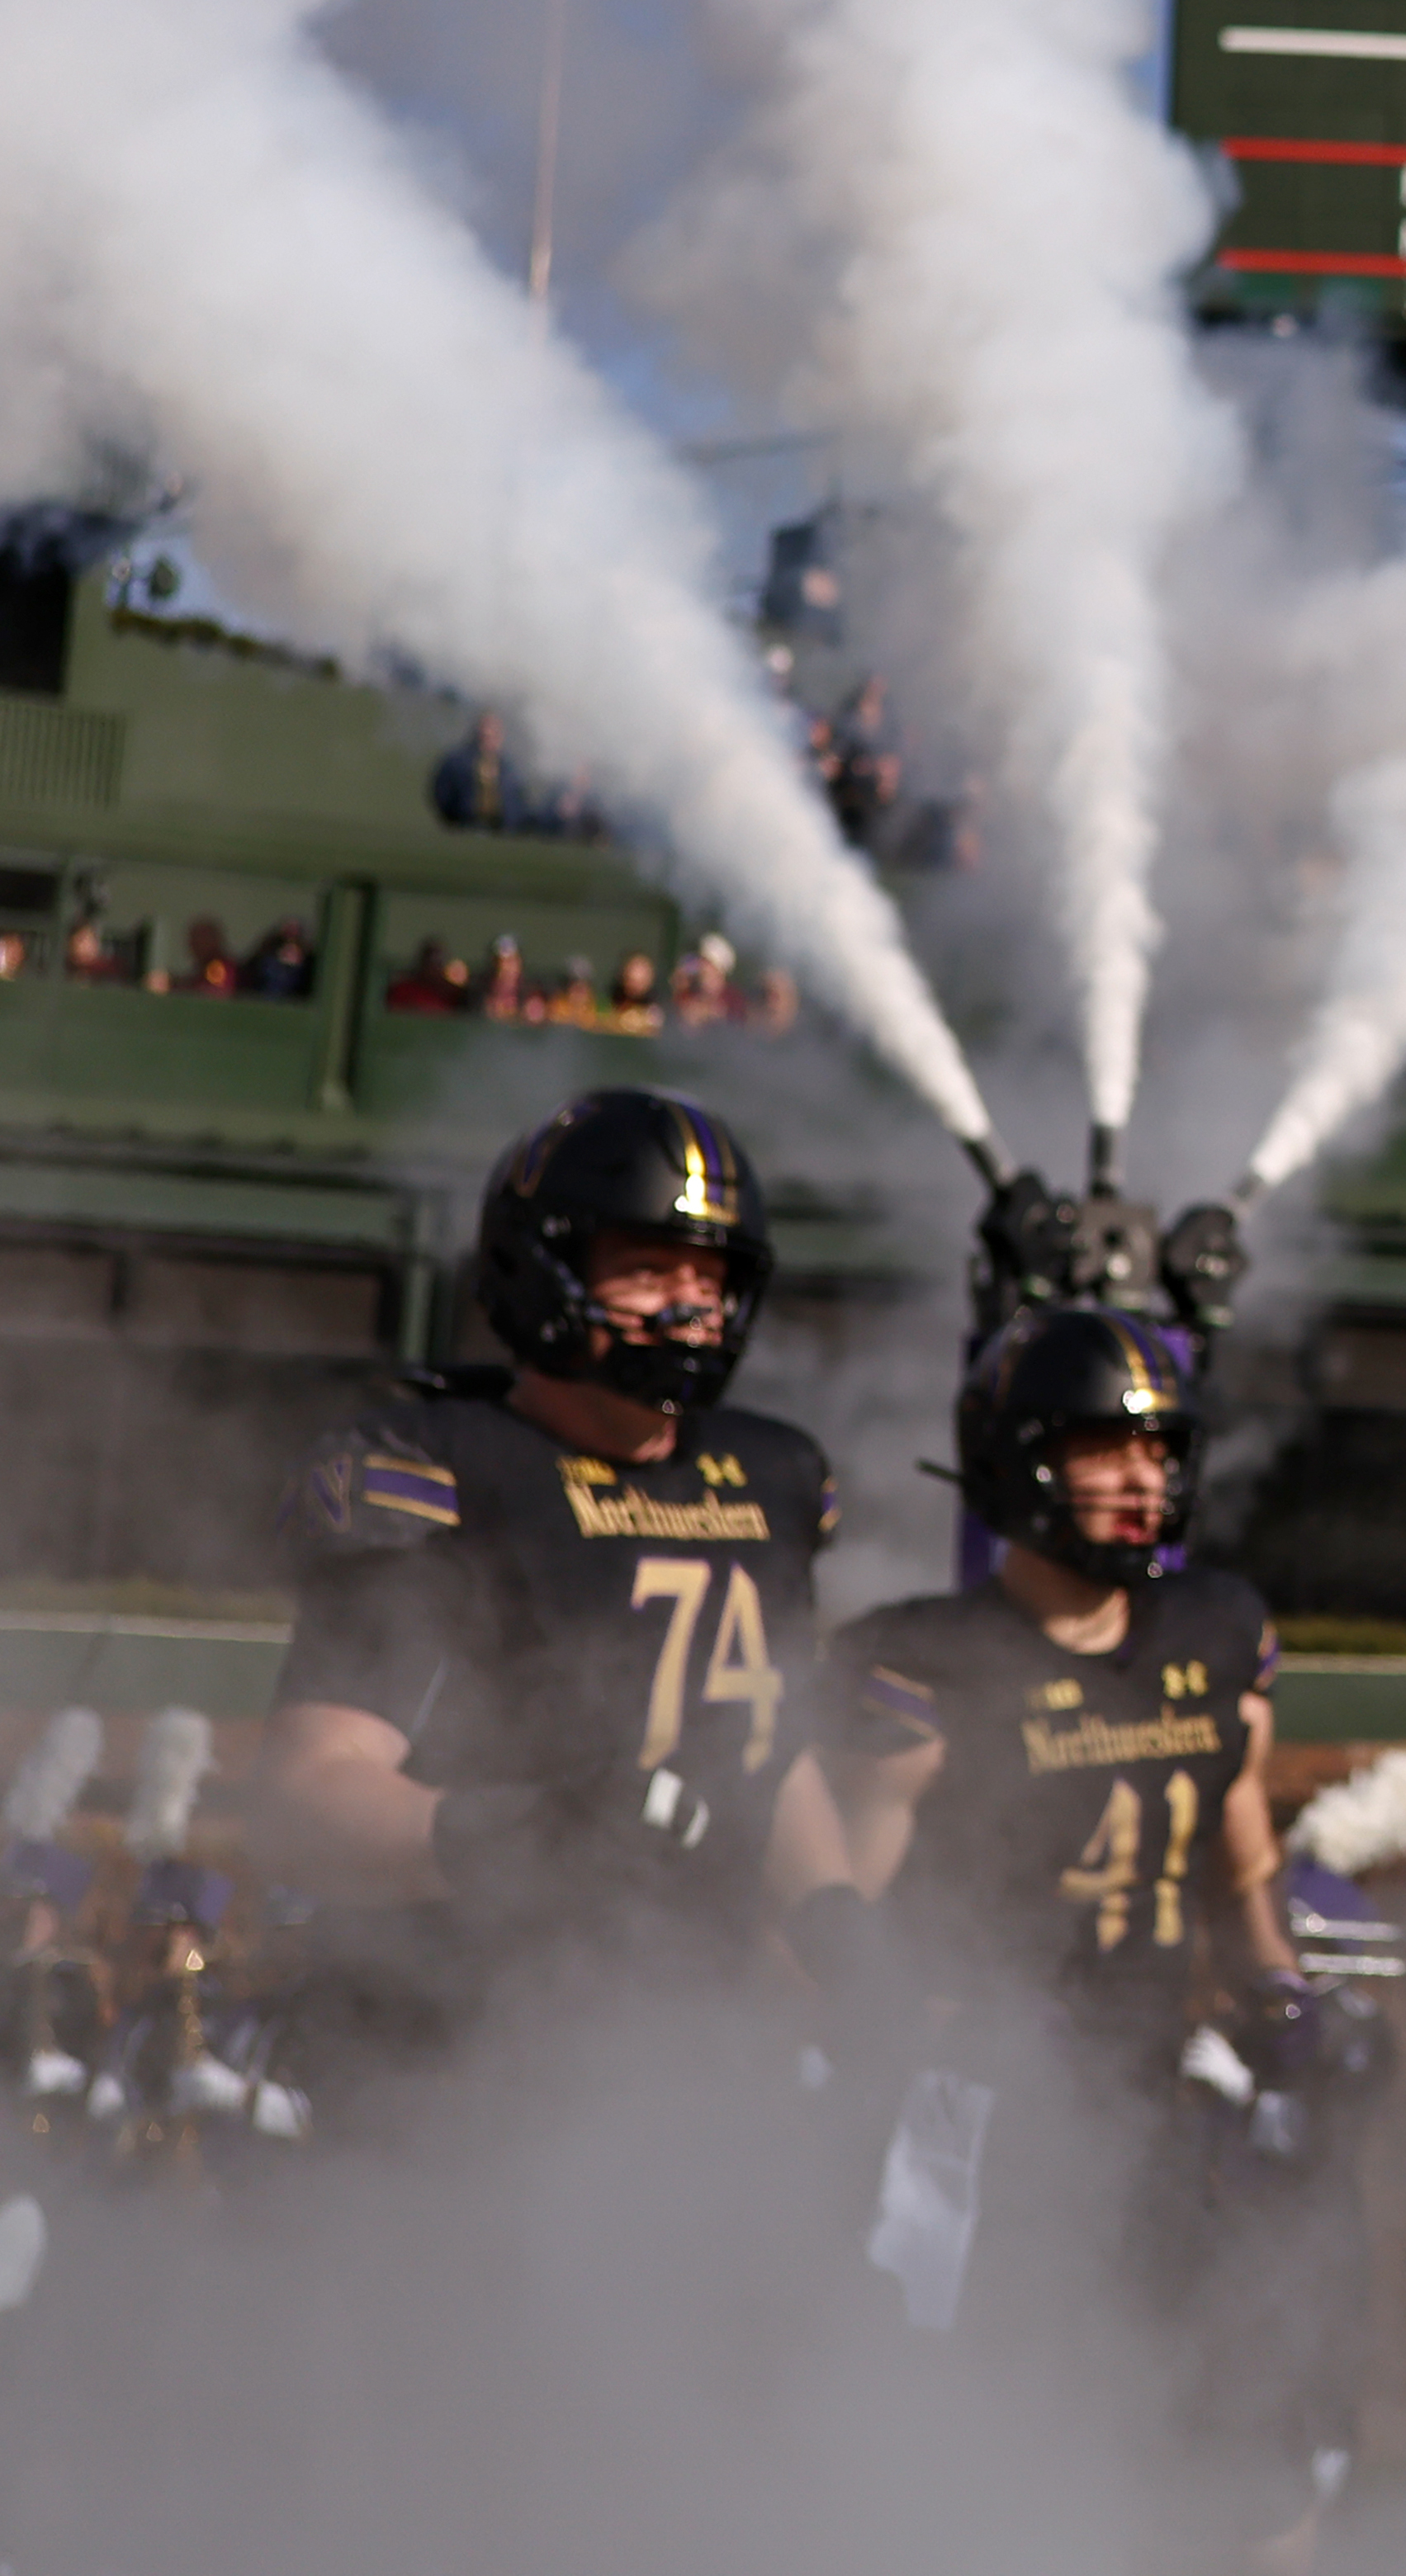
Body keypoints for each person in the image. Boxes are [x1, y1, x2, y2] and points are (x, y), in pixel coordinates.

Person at [814, 1306, 1341, 2567]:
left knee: (1250, 2468)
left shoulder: (1215, 1634)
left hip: (1147, 2108)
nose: (1140, 1478)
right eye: (1105, 1447)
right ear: (1015, 1457)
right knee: (972, 2451)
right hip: (957, 2136)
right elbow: (826, 1914)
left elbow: (1234, 1848)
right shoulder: (924, 1665)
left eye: (1160, 1449)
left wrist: (1279, 1985)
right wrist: (912, 2019)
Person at [252, 1090, 845, 2089]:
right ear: (544, 1265)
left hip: (694, 2056)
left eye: (712, 1272)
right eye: (652, 1267)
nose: (692, 1302)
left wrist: (838, 1928)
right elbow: (304, 1802)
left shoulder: (775, 1476)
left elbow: (770, 1757)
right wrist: (515, 1831)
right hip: (450, 2051)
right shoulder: (439, 1469)